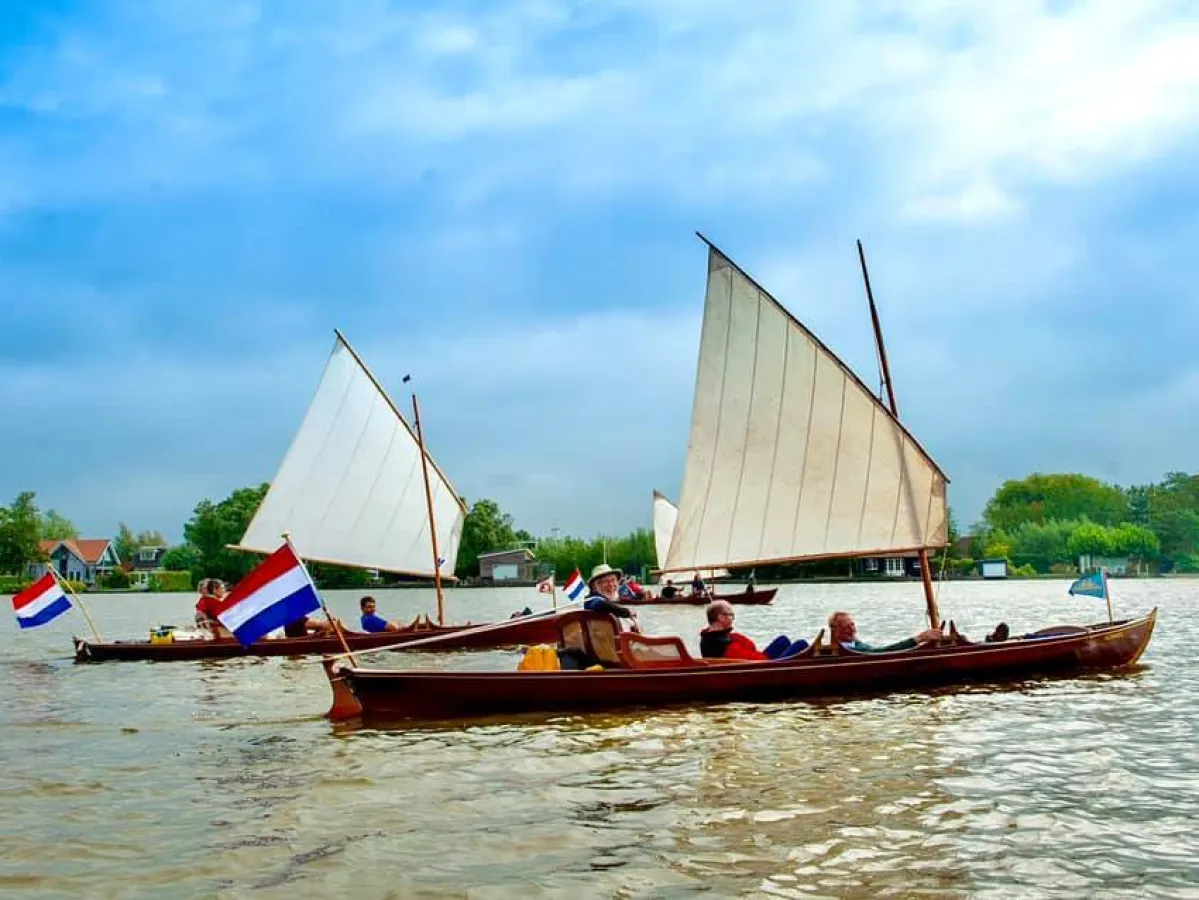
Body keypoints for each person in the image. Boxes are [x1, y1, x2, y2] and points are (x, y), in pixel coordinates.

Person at [700, 600, 807, 660]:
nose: (733, 618)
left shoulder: (711, 636)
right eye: (731, 615)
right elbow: (751, 656)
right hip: (763, 668)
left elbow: (751, 650)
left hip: (755, 662)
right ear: (721, 617)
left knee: (783, 640)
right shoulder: (721, 642)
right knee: (801, 644)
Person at [827, 611, 941, 652]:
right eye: (846, 627)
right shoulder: (845, 649)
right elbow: (881, 652)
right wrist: (919, 638)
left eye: (852, 625)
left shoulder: (855, 643)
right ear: (836, 631)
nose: (852, 629)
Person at [582, 563, 640, 632]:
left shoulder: (603, 602)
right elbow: (600, 604)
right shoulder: (593, 600)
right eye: (606, 581)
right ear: (594, 587)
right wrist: (626, 611)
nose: (611, 585)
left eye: (613, 580)